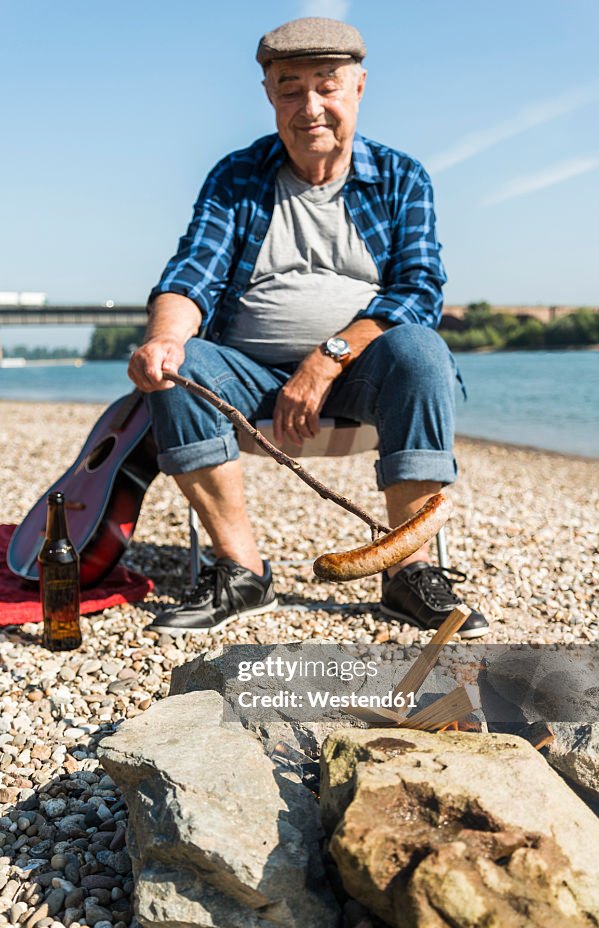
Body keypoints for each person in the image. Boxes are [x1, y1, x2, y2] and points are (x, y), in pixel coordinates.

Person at [128, 16, 489, 639]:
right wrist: (165, 336)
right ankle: (241, 572)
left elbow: (419, 291)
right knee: (179, 366)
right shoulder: (236, 177)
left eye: (328, 85)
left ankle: (408, 572)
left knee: (423, 350)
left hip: (359, 374)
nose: (311, 106)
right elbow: (191, 275)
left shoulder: (402, 177)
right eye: (290, 88)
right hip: (248, 377)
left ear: (359, 87)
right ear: (268, 94)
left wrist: (325, 360)